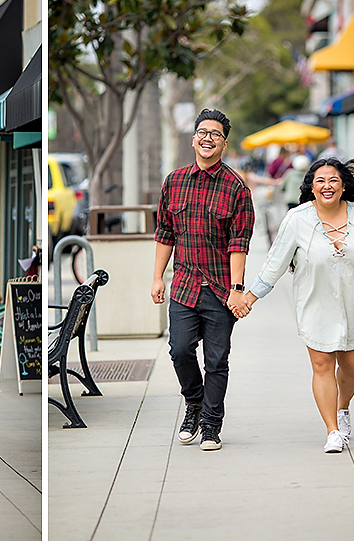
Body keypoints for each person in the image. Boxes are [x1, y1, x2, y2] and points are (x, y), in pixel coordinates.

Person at [241, 156, 354, 453]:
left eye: (333, 180)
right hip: (314, 302)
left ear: (343, 185)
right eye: (320, 181)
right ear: (312, 187)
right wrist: (251, 297)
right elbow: (275, 264)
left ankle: (343, 407)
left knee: (353, 367)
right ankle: (333, 430)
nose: (327, 186)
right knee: (322, 365)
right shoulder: (297, 219)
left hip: (353, 302)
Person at [150, 109, 255, 451]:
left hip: (221, 290)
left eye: (215, 134)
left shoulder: (236, 187)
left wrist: (237, 289)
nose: (207, 138)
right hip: (183, 284)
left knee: (216, 360)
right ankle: (194, 403)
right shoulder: (174, 181)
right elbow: (165, 232)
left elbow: (240, 242)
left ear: (224, 143)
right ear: (193, 138)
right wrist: (157, 278)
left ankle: (211, 424)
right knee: (179, 350)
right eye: (202, 132)